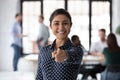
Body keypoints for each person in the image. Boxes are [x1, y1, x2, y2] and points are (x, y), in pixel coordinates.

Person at [36, 9, 83, 80]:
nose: (61, 28)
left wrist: (65, 55)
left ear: (70, 25)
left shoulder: (77, 50)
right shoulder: (43, 51)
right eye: (56, 23)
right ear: (51, 26)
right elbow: (39, 77)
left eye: (65, 23)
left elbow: (73, 55)